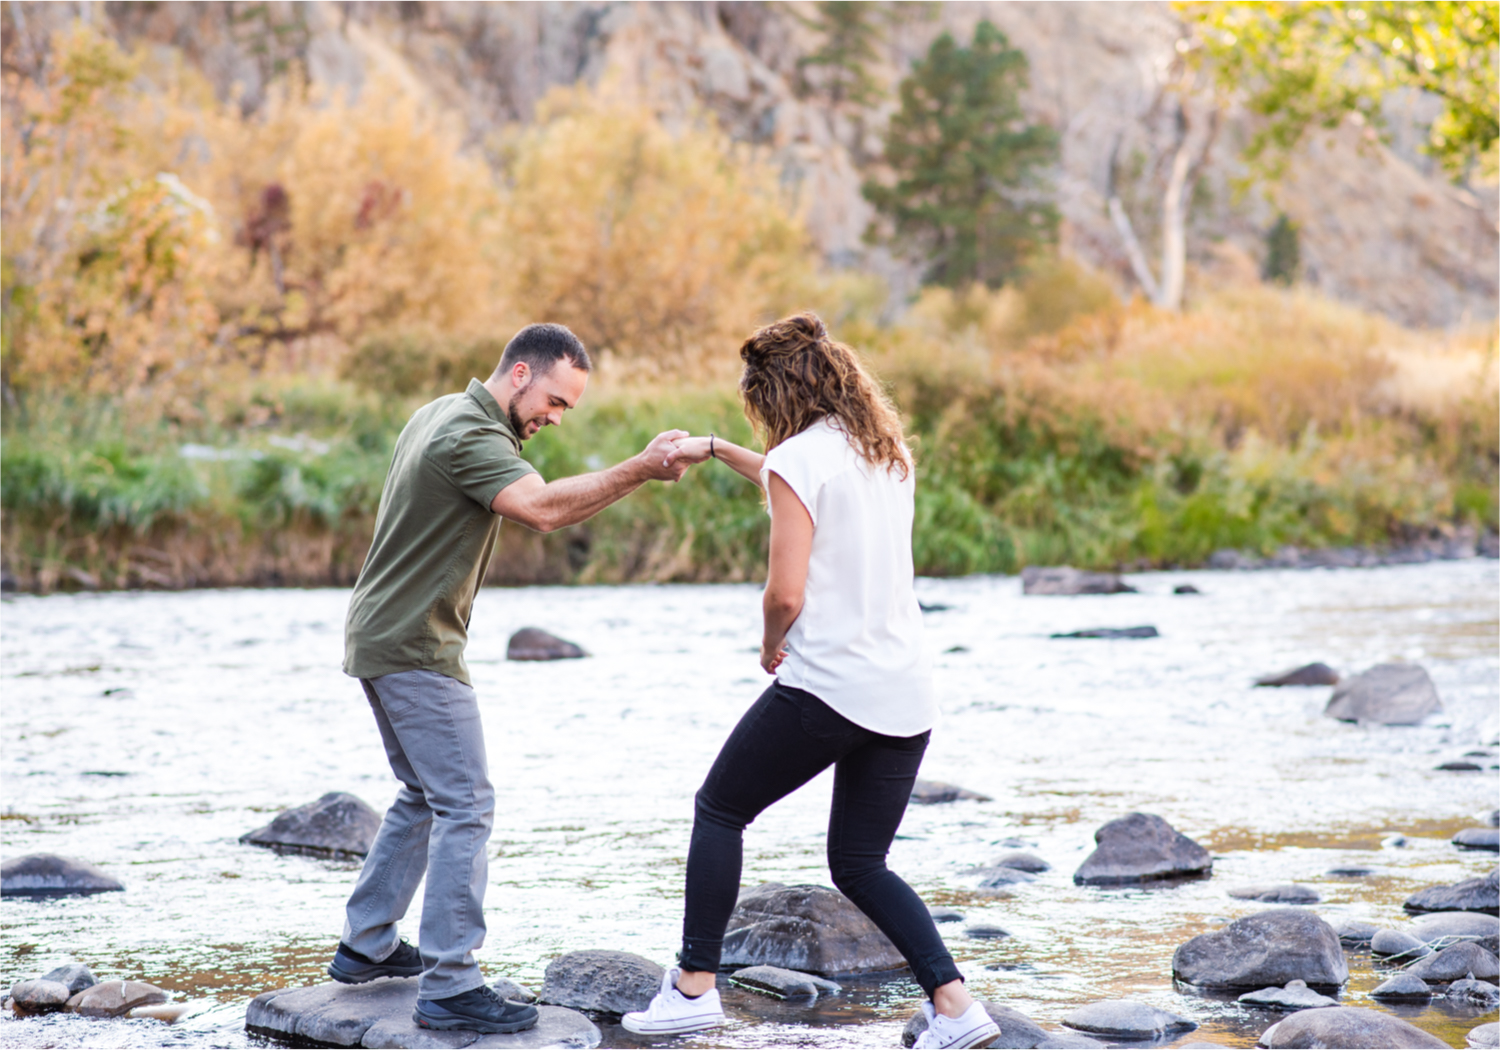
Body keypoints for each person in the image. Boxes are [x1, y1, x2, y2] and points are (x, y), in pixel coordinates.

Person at [621, 313, 1001, 1049]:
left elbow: (784, 592)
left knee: (719, 809)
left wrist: (772, 645)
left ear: (775, 392)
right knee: (861, 863)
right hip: (904, 692)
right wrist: (714, 449)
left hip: (828, 687)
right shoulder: (882, 452)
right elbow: (786, 475)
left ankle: (694, 988)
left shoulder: (801, 459)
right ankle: (957, 1009)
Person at [330, 323, 693, 1036]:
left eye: (567, 409)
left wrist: (628, 478)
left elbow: (548, 511)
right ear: (520, 373)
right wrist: (641, 468)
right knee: (466, 803)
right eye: (555, 400)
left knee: (423, 793)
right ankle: (452, 985)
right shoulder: (469, 435)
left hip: (381, 634)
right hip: (415, 645)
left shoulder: (439, 410)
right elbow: (544, 508)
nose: (556, 418)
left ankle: (366, 947)